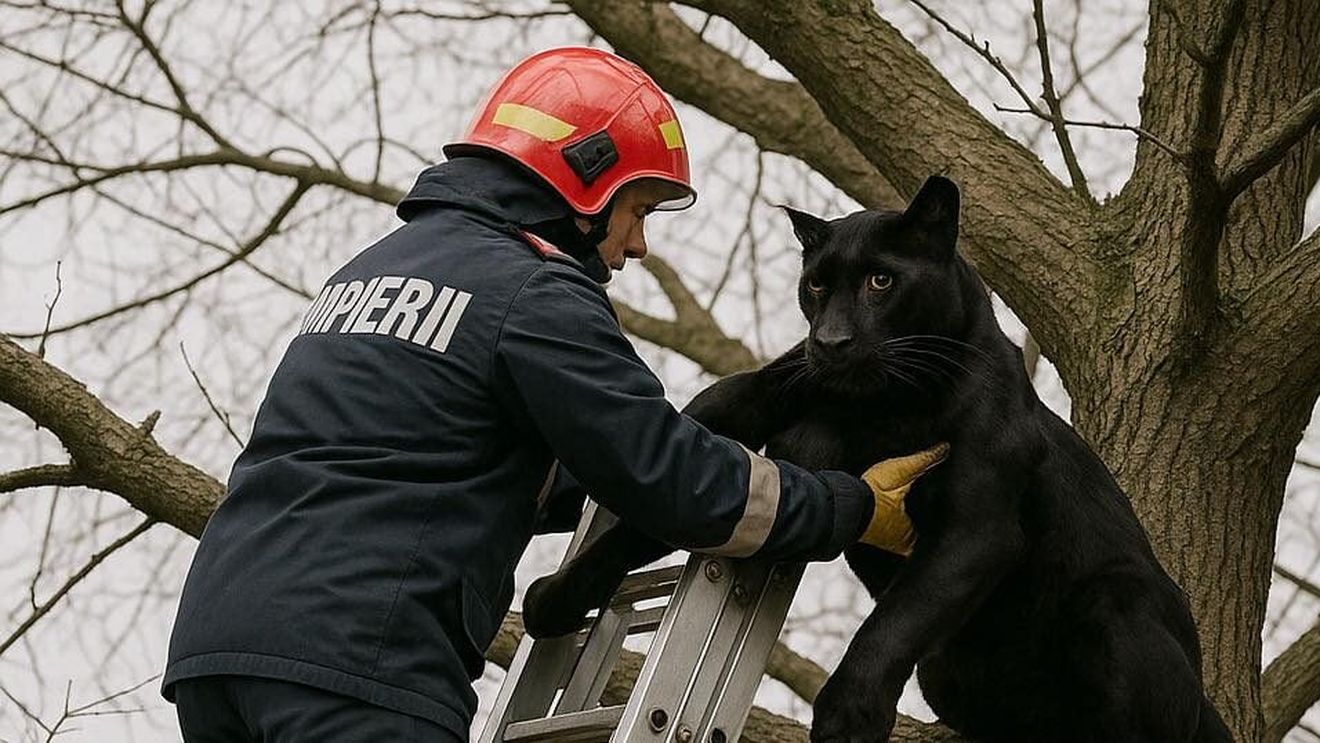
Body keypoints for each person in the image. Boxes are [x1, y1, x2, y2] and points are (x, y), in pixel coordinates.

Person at [162, 46, 946, 743]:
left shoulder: (374, 269)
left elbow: (445, 455)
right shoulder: (532, 290)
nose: (637, 243)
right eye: (637, 209)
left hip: (215, 656)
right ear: (585, 173)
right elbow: (673, 479)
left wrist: (622, 473)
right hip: (360, 660)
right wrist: (847, 505)